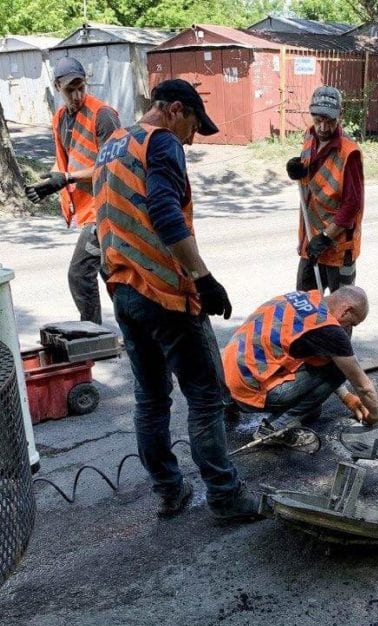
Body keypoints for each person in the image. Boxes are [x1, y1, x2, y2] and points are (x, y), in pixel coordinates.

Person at [92, 79, 262, 521]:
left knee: (151, 399)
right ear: (174, 110)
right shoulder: (162, 142)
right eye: (192, 125)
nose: (190, 137)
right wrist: (203, 279)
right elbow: (165, 213)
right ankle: (225, 497)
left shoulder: (111, 145)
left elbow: (104, 221)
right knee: (204, 397)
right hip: (165, 294)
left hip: (123, 292)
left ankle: (169, 491)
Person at [222, 286, 378, 447]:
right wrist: (376, 413)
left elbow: (317, 360)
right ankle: (273, 429)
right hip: (247, 389)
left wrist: (347, 397)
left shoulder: (302, 297)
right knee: (341, 368)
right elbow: (363, 387)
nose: (349, 329)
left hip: (225, 377)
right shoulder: (328, 329)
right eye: (352, 324)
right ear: (345, 312)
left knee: (313, 411)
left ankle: (229, 404)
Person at [25, 56, 120, 325]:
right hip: (88, 207)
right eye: (70, 90)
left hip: (108, 209)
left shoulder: (103, 115)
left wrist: (66, 178)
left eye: (81, 87)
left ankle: (92, 334)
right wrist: (48, 184)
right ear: (58, 87)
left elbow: (112, 168)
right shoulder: (59, 119)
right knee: (112, 275)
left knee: (79, 274)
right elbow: (64, 160)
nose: (77, 95)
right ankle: (141, 333)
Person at [285, 86, 364, 293]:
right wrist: (299, 170)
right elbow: (314, 176)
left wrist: (326, 237)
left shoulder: (349, 152)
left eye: (329, 121)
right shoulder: (309, 137)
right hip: (311, 243)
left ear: (340, 116)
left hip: (338, 249)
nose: (322, 127)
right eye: (318, 120)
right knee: (305, 309)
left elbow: (352, 205)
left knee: (339, 314)